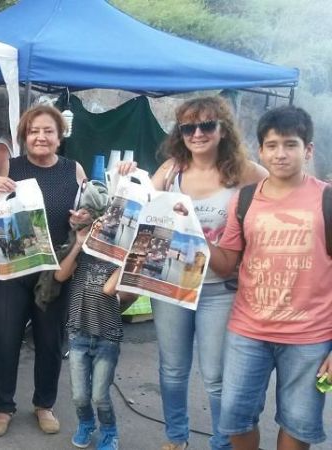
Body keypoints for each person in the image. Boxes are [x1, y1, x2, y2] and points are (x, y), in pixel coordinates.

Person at [118, 96, 267, 450]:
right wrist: (128, 178)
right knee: (172, 370)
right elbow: (140, 208)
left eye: (206, 125)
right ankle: (176, 438)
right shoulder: (172, 170)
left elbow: (282, 191)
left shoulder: (245, 172)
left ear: (223, 130)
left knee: (216, 377)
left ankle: (222, 443)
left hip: (221, 289)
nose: (197, 133)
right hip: (171, 285)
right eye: (188, 127)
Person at [208, 106, 331, 450]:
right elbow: (226, 262)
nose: (280, 154)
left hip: (311, 336)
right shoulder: (244, 200)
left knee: (299, 424)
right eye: (272, 145)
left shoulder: (327, 199)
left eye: (290, 145)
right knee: (234, 418)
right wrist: (193, 240)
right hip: (248, 331)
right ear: (260, 151)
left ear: (308, 150)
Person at [0, 104, 87, 437]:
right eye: (33, 131)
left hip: (55, 271)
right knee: (5, 338)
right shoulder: (10, 166)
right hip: (13, 269)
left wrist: (82, 219)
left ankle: (44, 405)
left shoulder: (73, 170)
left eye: (48, 131)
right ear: (24, 136)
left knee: (50, 341)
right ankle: (3, 407)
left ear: (60, 136)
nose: (41, 137)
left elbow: (88, 214)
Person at [56, 220, 136, 450]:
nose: (104, 236)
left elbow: (113, 291)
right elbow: (60, 276)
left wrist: (127, 260)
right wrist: (78, 244)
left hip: (107, 338)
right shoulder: (83, 255)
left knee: (100, 395)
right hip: (78, 334)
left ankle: (109, 430)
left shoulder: (122, 261)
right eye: (99, 230)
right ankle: (86, 423)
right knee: (79, 395)